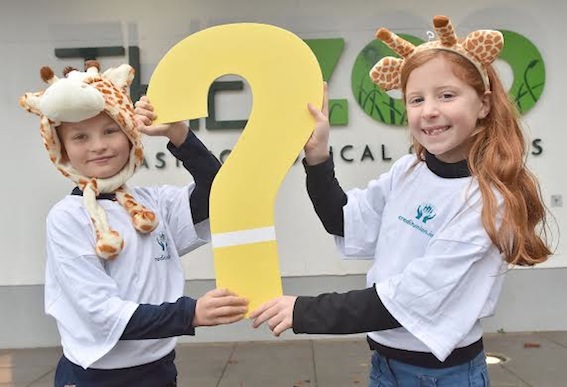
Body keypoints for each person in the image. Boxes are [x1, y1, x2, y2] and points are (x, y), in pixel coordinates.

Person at [250, 15, 552, 385]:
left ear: (484, 104)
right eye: (416, 99)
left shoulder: (487, 200)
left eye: (447, 95)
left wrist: (305, 310)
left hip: (445, 376)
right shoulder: (409, 169)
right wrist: (317, 157)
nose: (429, 110)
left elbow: (408, 298)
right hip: (384, 364)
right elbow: (343, 219)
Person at [20, 60, 248, 387]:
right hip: (95, 377)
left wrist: (179, 134)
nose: (98, 145)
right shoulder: (66, 218)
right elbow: (100, 314)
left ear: (130, 135)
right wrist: (191, 313)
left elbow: (219, 192)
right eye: (80, 136)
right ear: (62, 150)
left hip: (158, 369)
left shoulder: (152, 204)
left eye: (111, 130)